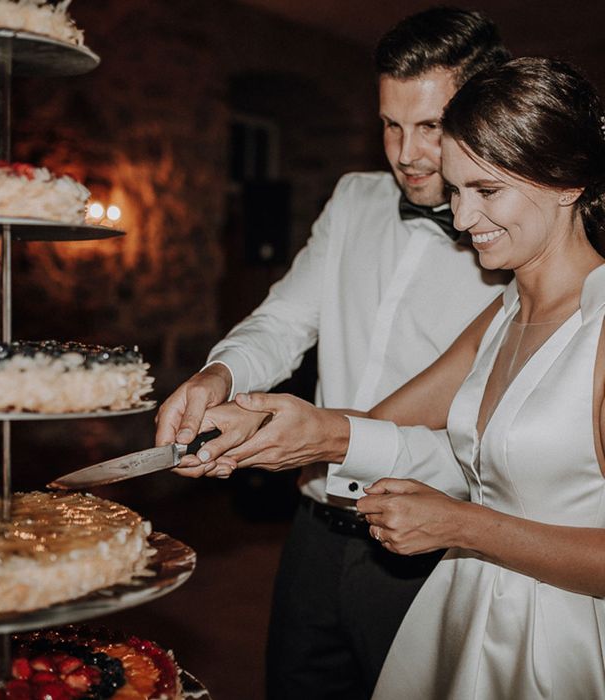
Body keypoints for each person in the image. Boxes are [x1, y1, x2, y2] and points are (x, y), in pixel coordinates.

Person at [209, 56, 605, 698]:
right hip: (462, 609)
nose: (463, 217)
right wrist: (267, 426)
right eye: (454, 191)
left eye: (486, 191)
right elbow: (374, 421)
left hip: (562, 643)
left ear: (566, 182)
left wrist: (462, 525)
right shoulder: (504, 309)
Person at [155, 8, 510, 698]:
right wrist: (221, 372)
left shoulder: (513, 241)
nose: (406, 154)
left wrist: (333, 435)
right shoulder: (353, 199)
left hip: (431, 542)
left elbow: (489, 435)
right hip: (314, 526)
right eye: (390, 124)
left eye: (431, 127)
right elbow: (286, 318)